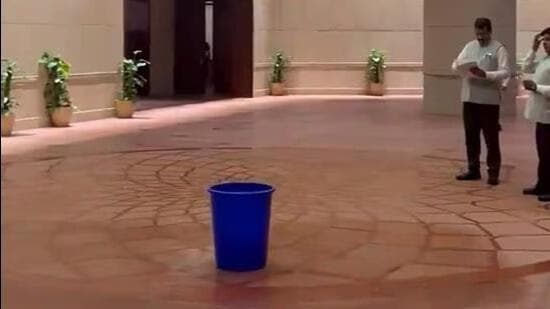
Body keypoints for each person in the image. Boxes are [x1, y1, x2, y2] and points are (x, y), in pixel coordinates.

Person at [452, 17, 511, 186]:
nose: (480, 37)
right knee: (471, 136)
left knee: (491, 138)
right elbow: (456, 63)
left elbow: (506, 71)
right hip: (470, 98)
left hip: (489, 100)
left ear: (489, 31)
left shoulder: (499, 48)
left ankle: (493, 172)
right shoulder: (469, 46)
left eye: (483, 33)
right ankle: (473, 169)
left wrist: (486, 74)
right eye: (477, 33)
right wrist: (458, 68)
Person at [521, 27, 550, 203]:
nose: (545, 43)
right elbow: (526, 67)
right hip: (541, 114)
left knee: (549, 154)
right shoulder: (544, 60)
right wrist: (533, 48)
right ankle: (542, 184)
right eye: (543, 40)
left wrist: (536, 88)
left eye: (548, 40)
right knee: (543, 153)